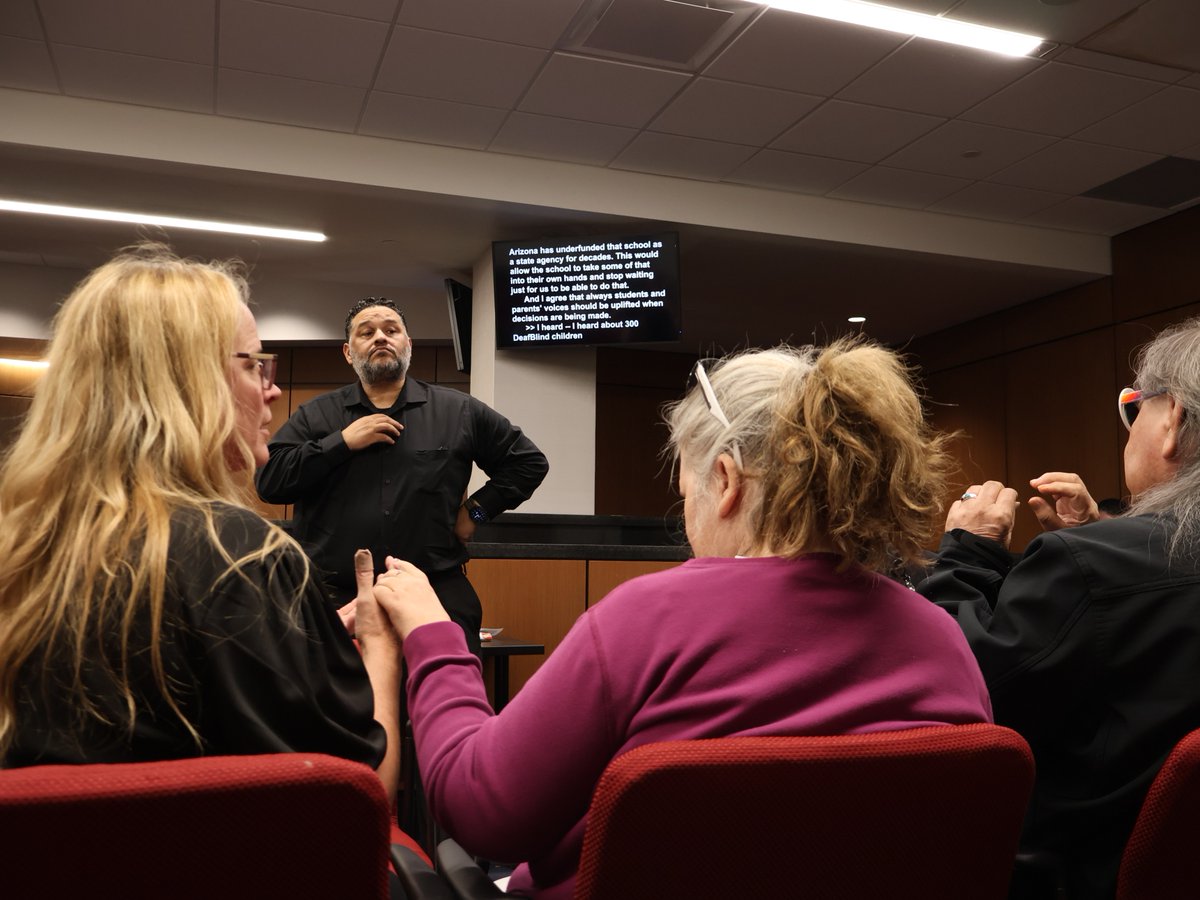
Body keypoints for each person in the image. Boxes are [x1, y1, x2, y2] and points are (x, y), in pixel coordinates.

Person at [370, 338, 993, 899]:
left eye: (687, 485)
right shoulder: (940, 637)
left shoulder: (647, 619)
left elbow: (482, 810)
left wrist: (431, 634)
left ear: (726, 479)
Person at [0, 245, 405, 816]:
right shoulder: (242, 557)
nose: (271, 389)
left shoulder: (19, 542)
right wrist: (381, 648)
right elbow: (355, 799)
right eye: (253, 365)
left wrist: (293, 641)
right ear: (188, 382)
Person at [919, 317, 1200, 899]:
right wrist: (1098, 538)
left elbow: (968, 692)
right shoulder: (1101, 559)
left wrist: (967, 553)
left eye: (1134, 411)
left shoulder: (1089, 565)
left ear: (1172, 420)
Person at [255, 297, 548, 656]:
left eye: (391, 330)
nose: (380, 337)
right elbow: (270, 481)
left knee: (445, 688)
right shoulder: (316, 416)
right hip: (334, 599)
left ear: (408, 345)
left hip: (436, 593)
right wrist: (340, 443)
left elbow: (528, 463)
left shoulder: (458, 410)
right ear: (348, 352)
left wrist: (476, 511)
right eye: (367, 333)